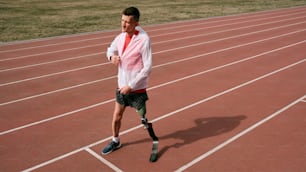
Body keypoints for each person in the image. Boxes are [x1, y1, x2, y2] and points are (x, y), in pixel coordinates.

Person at [102, 6, 153, 155]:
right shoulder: (121, 36)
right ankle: (115, 141)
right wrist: (112, 57)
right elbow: (110, 49)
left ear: (136, 23)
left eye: (127, 22)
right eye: (122, 21)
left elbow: (148, 67)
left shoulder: (144, 40)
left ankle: (143, 116)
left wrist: (131, 86)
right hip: (122, 85)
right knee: (117, 115)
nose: (123, 25)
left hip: (136, 86)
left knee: (140, 108)